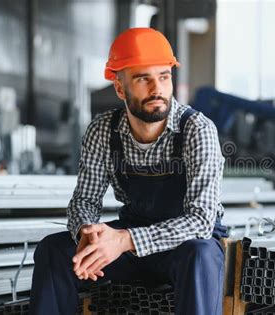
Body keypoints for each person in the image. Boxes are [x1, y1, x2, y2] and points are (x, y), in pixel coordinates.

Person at [29, 27, 227, 315]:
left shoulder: (197, 130)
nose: (157, 89)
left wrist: (124, 240)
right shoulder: (103, 131)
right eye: (143, 79)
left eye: (163, 76)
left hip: (183, 247)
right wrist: (88, 236)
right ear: (120, 88)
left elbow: (200, 221)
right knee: (53, 250)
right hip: (130, 246)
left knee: (200, 254)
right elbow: (85, 200)